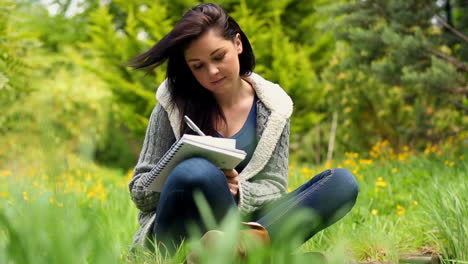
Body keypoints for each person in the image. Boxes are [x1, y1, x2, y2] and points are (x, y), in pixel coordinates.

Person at [127, 2, 358, 256]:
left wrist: (238, 190)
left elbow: (273, 187)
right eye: (198, 66)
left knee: (341, 183)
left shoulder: (273, 107)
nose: (212, 71)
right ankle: (259, 255)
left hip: (245, 218)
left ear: (237, 44)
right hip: (181, 230)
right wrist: (177, 173)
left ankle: (234, 252)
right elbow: (140, 191)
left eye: (218, 57)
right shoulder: (172, 103)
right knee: (199, 172)